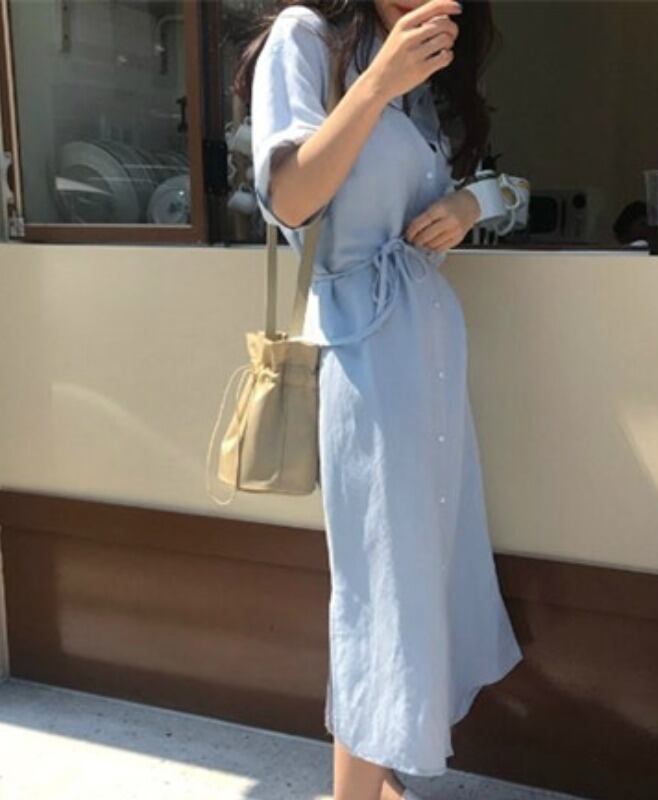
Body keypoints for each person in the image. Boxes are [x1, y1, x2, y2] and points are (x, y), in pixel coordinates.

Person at [235, 2, 523, 798]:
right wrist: (376, 83)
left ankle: (378, 775)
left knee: (421, 571)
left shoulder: (425, 78)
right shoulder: (308, 37)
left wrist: (473, 204)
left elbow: (502, 187)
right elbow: (288, 199)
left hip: (430, 345)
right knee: (378, 587)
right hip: (365, 353)